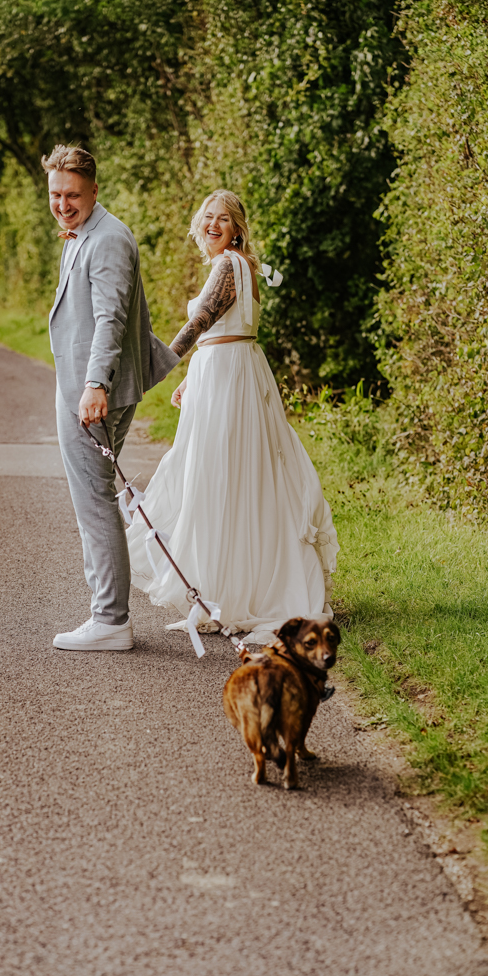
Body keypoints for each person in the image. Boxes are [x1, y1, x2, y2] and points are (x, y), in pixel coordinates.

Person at [126, 190, 339, 645]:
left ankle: (235, 591)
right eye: (207, 217)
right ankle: (226, 586)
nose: (213, 225)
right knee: (241, 477)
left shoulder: (228, 265)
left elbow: (203, 318)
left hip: (230, 378)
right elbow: (229, 331)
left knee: (218, 476)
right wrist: (193, 377)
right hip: (229, 370)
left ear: (237, 226)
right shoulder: (243, 264)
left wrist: (163, 364)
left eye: (223, 219)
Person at [45, 145, 180, 651]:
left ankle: (111, 620)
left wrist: (95, 384)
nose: (63, 204)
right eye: (56, 194)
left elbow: (111, 320)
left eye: (73, 195)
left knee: (94, 501)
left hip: (94, 391)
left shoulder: (108, 240)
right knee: (94, 497)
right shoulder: (82, 234)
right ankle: (109, 615)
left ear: (94, 190)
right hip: (81, 386)